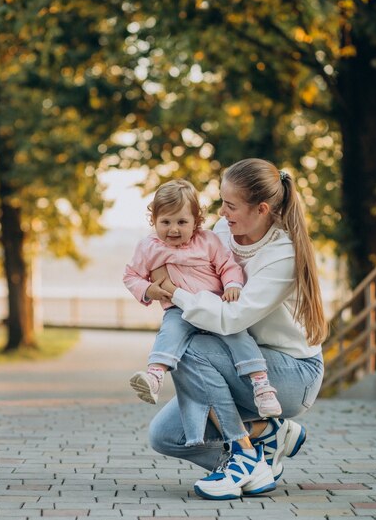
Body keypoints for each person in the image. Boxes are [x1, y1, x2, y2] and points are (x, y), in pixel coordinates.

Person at [148, 159, 327, 500]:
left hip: (291, 374)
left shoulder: (281, 255)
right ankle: (265, 440)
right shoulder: (221, 232)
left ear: (261, 209)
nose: (222, 211)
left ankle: (243, 453)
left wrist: (175, 291)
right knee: (165, 435)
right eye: (221, 202)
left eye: (230, 205)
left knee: (191, 348)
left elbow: (232, 318)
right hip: (237, 359)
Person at [123, 179, 282, 418]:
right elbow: (131, 275)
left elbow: (227, 266)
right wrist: (148, 290)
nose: (173, 229)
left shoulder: (208, 241)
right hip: (179, 308)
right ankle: (155, 375)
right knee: (170, 332)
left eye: (182, 222)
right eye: (165, 222)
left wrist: (232, 285)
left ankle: (261, 385)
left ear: (196, 222)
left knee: (238, 336)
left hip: (216, 306)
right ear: (153, 220)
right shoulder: (149, 247)